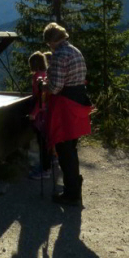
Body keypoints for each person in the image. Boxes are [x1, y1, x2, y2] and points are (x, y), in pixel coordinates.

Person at [43, 22, 92, 206]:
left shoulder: (60, 55)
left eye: (49, 43)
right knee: (72, 147)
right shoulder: (75, 51)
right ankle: (74, 188)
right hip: (78, 101)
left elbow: (55, 88)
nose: (49, 47)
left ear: (52, 40)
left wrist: (43, 86)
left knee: (64, 149)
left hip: (65, 104)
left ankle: (71, 194)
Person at [27, 51, 52, 180]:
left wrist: (33, 113)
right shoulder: (45, 74)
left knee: (42, 141)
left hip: (40, 114)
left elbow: (40, 98)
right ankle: (48, 164)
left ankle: (45, 169)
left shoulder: (38, 77)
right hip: (46, 112)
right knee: (45, 140)